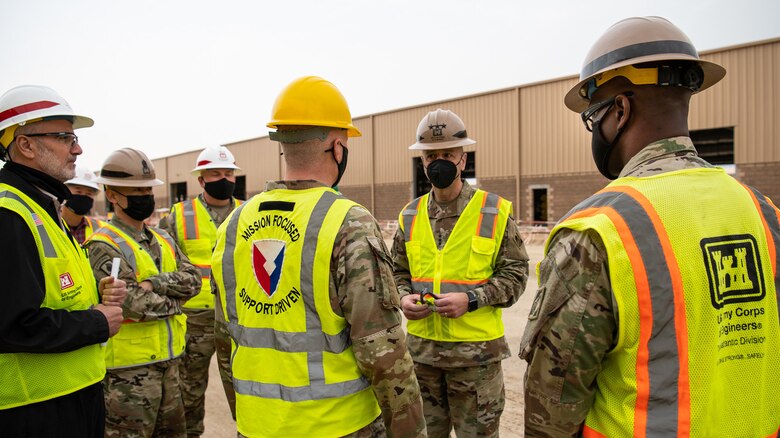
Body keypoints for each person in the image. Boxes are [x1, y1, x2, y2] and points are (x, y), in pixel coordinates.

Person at [519, 16, 780, 437]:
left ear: (619, 110)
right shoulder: (764, 215)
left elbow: (554, 407)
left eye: (594, 116)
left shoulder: (599, 231)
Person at [211, 76, 426, 437]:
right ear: (337, 147)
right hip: (338, 425)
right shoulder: (348, 221)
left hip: (256, 425)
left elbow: (225, 336)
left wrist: (245, 415)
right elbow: (381, 350)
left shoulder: (234, 225)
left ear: (282, 145)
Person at [391, 108, 529, 437]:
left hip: (476, 362)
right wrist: (402, 297)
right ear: (422, 162)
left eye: (448, 154)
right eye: (431, 155)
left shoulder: (493, 211)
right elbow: (396, 271)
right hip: (423, 358)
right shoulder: (409, 216)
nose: (439, 161)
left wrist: (472, 299)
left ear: (463, 159)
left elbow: (516, 274)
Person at [0, 85, 126, 437]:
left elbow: (47, 292)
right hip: (35, 409)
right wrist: (96, 322)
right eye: (65, 137)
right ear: (25, 145)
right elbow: (12, 324)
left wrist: (95, 294)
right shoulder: (9, 212)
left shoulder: (42, 204)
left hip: (70, 395)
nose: (78, 148)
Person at [84, 148, 201, 438]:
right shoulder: (103, 244)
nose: (145, 197)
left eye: (147, 190)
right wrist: (177, 301)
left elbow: (195, 280)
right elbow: (131, 303)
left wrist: (155, 283)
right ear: (112, 195)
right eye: (136, 191)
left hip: (170, 366)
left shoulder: (162, 237)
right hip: (127, 378)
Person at [158, 145, 242, 435]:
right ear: (201, 180)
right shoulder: (178, 216)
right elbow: (162, 264)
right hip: (194, 321)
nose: (224, 179)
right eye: (216, 173)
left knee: (248, 389)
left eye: (229, 173)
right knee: (188, 394)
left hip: (238, 319)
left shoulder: (249, 212)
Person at [62, 165, 106, 244]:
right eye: (78, 192)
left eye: (89, 193)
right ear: (65, 191)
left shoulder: (101, 229)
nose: (83, 197)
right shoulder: (51, 224)